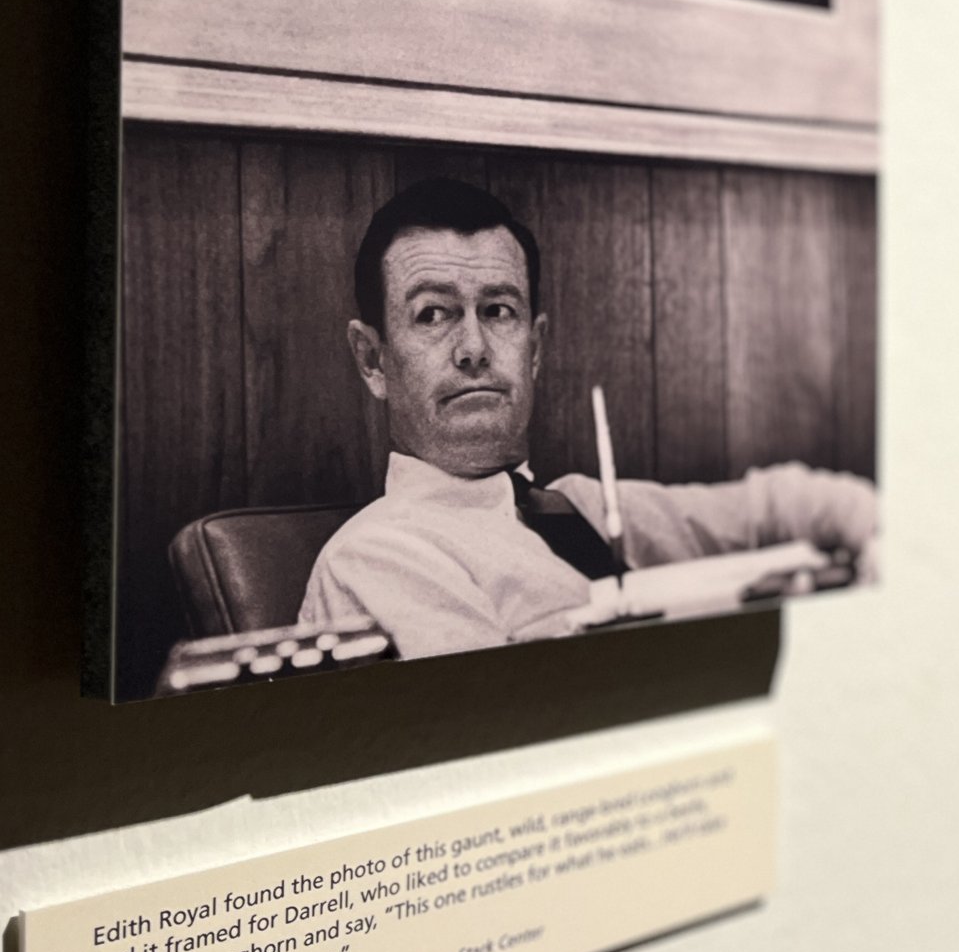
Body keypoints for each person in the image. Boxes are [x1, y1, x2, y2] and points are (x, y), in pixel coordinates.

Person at [298, 177, 879, 660]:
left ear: (535, 349)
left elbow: (778, 505)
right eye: (433, 315)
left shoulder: (584, 508)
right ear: (373, 360)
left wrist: (883, 537)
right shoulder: (375, 556)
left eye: (499, 311)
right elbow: (501, 731)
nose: (473, 347)